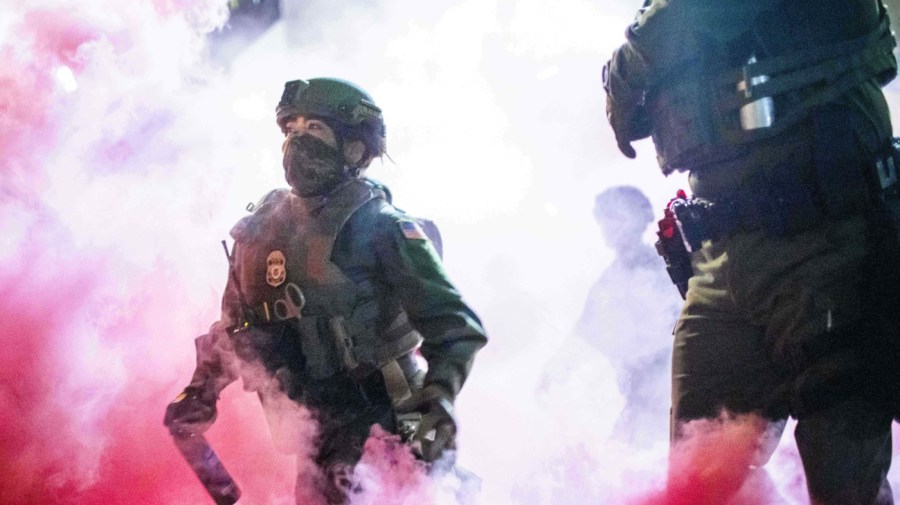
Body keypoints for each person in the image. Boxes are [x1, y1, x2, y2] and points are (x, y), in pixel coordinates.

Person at [604, 1, 900, 504]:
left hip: (823, 241)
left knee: (843, 478)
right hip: (719, 258)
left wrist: (630, 64)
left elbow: (700, 18)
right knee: (699, 480)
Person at [163, 77, 488, 504]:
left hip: (392, 428)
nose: (297, 141)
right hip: (318, 434)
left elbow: (457, 328)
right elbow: (236, 328)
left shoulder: (382, 227)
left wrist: (438, 402)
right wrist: (200, 391)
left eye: (314, 128)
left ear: (353, 148)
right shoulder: (262, 232)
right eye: (291, 128)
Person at [572, 186, 680, 448]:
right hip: (638, 398)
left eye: (617, 217)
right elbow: (583, 334)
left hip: (667, 391)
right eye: (605, 219)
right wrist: (555, 369)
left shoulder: (663, 267)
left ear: (639, 219)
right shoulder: (608, 281)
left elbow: (678, 323)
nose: (609, 227)